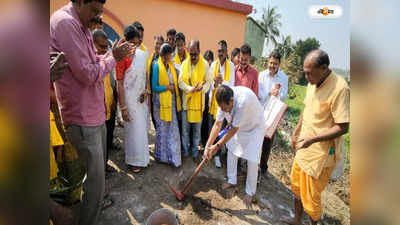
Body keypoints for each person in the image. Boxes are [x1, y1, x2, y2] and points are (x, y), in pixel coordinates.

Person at [50, 0, 134, 224]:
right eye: (95, 10)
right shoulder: (66, 24)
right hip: (82, 117)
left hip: (94, 115)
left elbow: (93, 61)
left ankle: (88, 212)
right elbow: (87, 73)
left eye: (100, 11)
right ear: (79, 1)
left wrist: (109, 56)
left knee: (95, 180)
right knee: (95, 183)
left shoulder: (81, 25)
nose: (99, 16)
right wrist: (113, 58)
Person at [280, 50, 349, 225]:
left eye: (309, 72)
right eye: (305, 71)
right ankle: (297, 219)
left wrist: (312, 139)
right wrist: (296, 131)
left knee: (311, 197)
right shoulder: (312, 83)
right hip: (303, 147)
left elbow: (343, 126)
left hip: (320, 155)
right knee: (296, 186)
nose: (306, 76)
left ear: (324, 68)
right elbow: (307, 109)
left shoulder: (340, 88)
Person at [204, 85, 266, 208]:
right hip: (238, 126)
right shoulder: (222, 100)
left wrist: (217, 146)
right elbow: (217, 124)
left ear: (231, 101)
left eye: (225, 108)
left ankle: (250, 192)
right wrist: (208, 146)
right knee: (232, 148)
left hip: (254, 127)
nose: (224, 110)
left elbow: (233, 129)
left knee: (252, 159)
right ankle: (232, 180)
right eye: (221, 108)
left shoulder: (242, 102)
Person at [116, 25, 150, 173]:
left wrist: (146, 91)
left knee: (142, 130)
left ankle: (142, 159)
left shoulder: (142, 54)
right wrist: (123, 108)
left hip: (141, 99)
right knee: (133, 131)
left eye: (137, 43)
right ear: (125, 41)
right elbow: (119, 82)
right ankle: (133, 160)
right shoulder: (121, 58)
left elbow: (145, 74)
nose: (135, 47)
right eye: (132, 44)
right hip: (129, 100)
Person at [178, 40, 212, 162]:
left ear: (199, 51)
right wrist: (191, 89)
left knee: (196, 132)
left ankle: (194, 152)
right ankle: (186, 152)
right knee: (185, 131)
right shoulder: (184, 64)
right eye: (190, 54)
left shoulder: (205, 64)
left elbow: (209, 82)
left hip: (199, 105)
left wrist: (202, 89)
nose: (192, 57)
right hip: (187, 104)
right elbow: (180, 82)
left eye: (195, 54)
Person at [257, 50, 288, 179]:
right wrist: (270, 93)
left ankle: (263, 166)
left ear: (279, 64)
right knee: (257, 138)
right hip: (261, 111)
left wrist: (278, 93)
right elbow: (258, 94)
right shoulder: (262, 75)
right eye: (270, 63)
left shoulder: (283, 78)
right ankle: (251, 163)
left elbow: (284, 96)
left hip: (274, 114)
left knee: (267, 141)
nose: (272, 66)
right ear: (267, 62)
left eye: (275, 64)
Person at [152, 43, 182, 167]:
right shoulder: (156, 66)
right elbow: (154, 87)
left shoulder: (172, 66)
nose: (167, 58)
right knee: (162, 131)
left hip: (171, 102)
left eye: (169, 56)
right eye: (165, 56)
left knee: (173, 131)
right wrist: (167, 87)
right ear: (162, 55)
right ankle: (162, 157)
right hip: (160, 104)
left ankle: (173, 158)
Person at [92, 29, 117, 173]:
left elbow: (112, 81)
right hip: (96, 110)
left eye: (106, 47)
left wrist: (113, 100)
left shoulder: (107, 59)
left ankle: (104, 164)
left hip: (109, 105)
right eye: (101, 46)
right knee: (97, 144)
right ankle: (97, 170)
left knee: (107, 138)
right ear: (92, 43)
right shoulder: (91, 62)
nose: (104, 50)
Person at [208, 40, 235, 168]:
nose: (220, 53)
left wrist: (222, 81)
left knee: (221, 130)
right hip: (214, 102)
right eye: (218, 51)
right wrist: (215, 83)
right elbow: (210, 86)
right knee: (213, 128)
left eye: (222, 51)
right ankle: (209, 151)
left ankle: (217, 155)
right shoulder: (213, 65)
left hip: (226, 104)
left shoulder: (231, 66)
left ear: (226, 52)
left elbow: (233, 87)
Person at [147, 35, 164, 129]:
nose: (158, 46)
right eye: (156, 43)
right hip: (153, 94)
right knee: (154, 119)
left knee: (161, 121)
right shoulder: (152, 58)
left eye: (160, 44)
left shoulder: (164, 59)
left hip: (162, 94)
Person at [200, 50, 214, 151]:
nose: (208, 63)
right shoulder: (202, 70)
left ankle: (206, 144)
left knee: (208, 124)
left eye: (209, 60)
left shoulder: (213, 70)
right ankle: (202, 142)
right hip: (201, 101)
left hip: (210, 102)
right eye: (206, 60)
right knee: (202, 123)